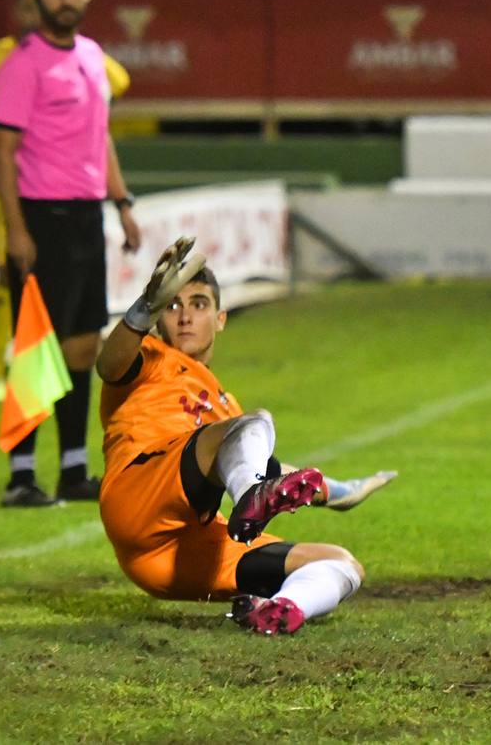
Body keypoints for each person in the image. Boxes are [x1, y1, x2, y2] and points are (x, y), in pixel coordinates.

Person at [96, 238, 397, 635]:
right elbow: (107, 364)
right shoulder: (150, 357)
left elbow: (270, 466)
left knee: (341, 562)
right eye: (172, 306)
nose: (185, 316)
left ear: (220, 318)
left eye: (199, 304)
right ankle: (252, 497)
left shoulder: (226, 409)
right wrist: (143, 309)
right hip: (138, 498)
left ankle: (281, 609)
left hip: (179, 553)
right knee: (253, 425)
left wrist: (342, 491)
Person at [0, 0, 142, 506]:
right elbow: (2, 152)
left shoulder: (93, 57)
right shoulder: (21, 65)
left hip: (84, 218)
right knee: (35, 349)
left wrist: (121, 203)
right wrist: (17, 230)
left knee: (82, 348)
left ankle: (74, 471)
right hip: (40, 218)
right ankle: (21, 476)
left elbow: (98, 137)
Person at [0, 0, 131, 403]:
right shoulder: (3, 57)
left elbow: (120, 81)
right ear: (21, 12)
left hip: (75, 199)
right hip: (20, 194)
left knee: (76, 318)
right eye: (29, 8)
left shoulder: (82, 54)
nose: (38, 15)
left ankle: (63, 420)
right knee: (13, 286)